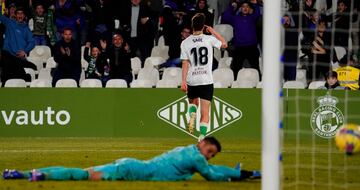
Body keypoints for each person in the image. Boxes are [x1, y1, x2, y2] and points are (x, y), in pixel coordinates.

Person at [2, 136, 261, 182]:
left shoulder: (188, 151)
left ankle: (28, 174)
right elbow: (212, 175)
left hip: (132, 165)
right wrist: (245, 174)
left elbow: (211, 169)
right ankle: (32, 175)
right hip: (133, 171)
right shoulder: (196, 159)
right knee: (80, 174)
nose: (209, 156)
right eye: (210, 152)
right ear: (203, 145)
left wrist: (233, 171)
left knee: (80, 171)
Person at [181, 13, 227, 141]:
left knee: (193, 104)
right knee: (205, 112)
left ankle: (192, 114)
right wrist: (213, 31)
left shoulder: (185, 42)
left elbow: (185, 63)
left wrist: (183, 81)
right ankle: (201, 137)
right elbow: (224, 44)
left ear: (192, 26)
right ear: (203, 26)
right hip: (206, 79)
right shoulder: (209, 39)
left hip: (192, 79)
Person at [221, 0, 262, 80]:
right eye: (243, 6)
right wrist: (233, 7)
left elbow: (257, 13)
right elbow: (225, 17)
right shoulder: (235, 18)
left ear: (249, 8)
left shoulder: (252, 17)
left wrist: (255, 4)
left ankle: (259, 85)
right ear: (240, 8)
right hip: (239, 48)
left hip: (251, 47)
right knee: (235, 68)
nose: (245, 8)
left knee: (256, 68)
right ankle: (234, 85)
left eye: (247, 6)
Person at [0, 5, 37, 85]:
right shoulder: (9, 22)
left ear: (24, 16)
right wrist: (2, 8)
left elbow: (32, 42)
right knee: (6, 78)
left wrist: (25, 51)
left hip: (18, 57)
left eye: (22, 14)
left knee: (23, 78)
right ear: (15, 15)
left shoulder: (26, 29)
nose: (20, 15)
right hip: (7, 54)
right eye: (18, 14)